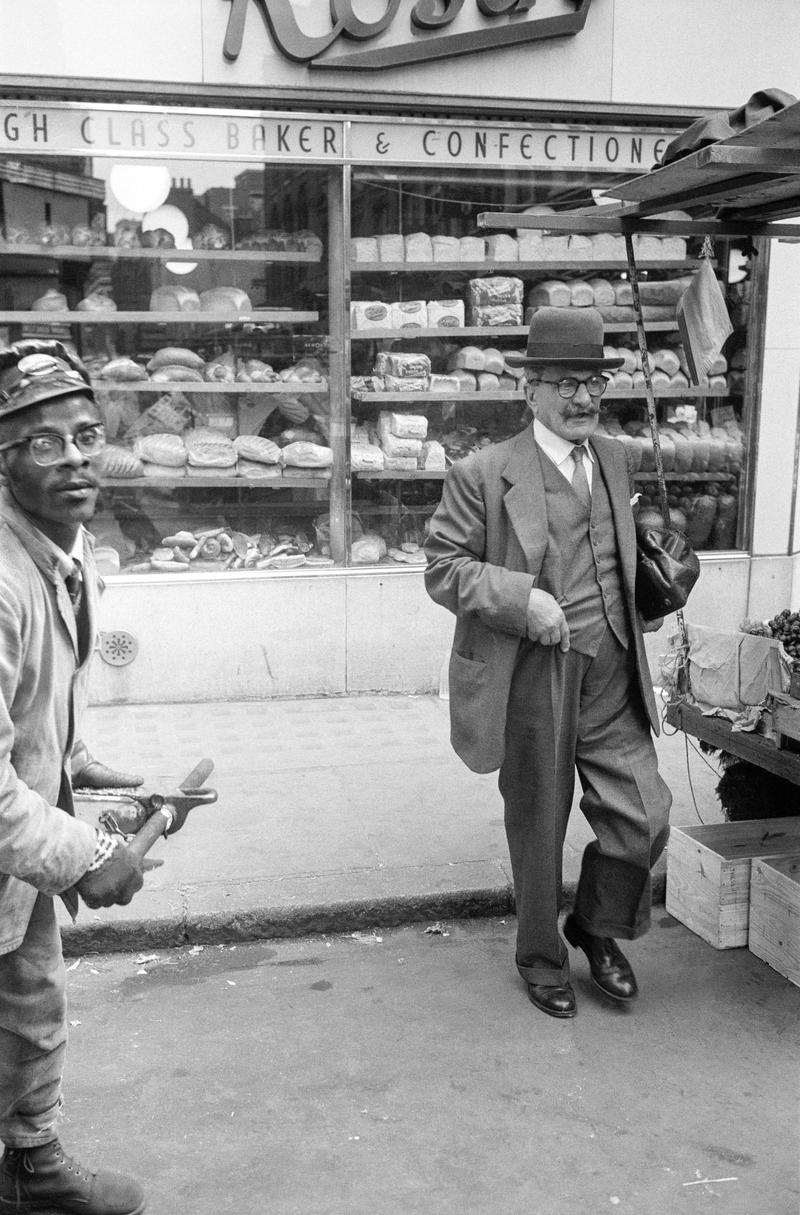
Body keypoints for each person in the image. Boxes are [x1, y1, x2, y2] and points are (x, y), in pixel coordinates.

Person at [424, 307, 672, 1019]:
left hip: (612, 673)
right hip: (532, 677)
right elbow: (444, 568)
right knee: (537, 827)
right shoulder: (484, 473)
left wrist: (656, 587)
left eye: (593, 381)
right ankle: (539, 956)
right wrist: (520, 600)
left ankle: (593, 924)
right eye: (565, 383)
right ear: (528, 389)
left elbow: (620, 557)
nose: (583, 398)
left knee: (646, 817)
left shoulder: (618, 457)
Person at [0, 341, 148, 1212]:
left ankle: (30, 1159)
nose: (75, 458)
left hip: (27, 827)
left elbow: (47, 692)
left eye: (86, 435)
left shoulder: (69, 545)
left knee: (31, 998)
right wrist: (89, 853)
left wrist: (83, 768)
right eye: (45, 443)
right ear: (5, 460)